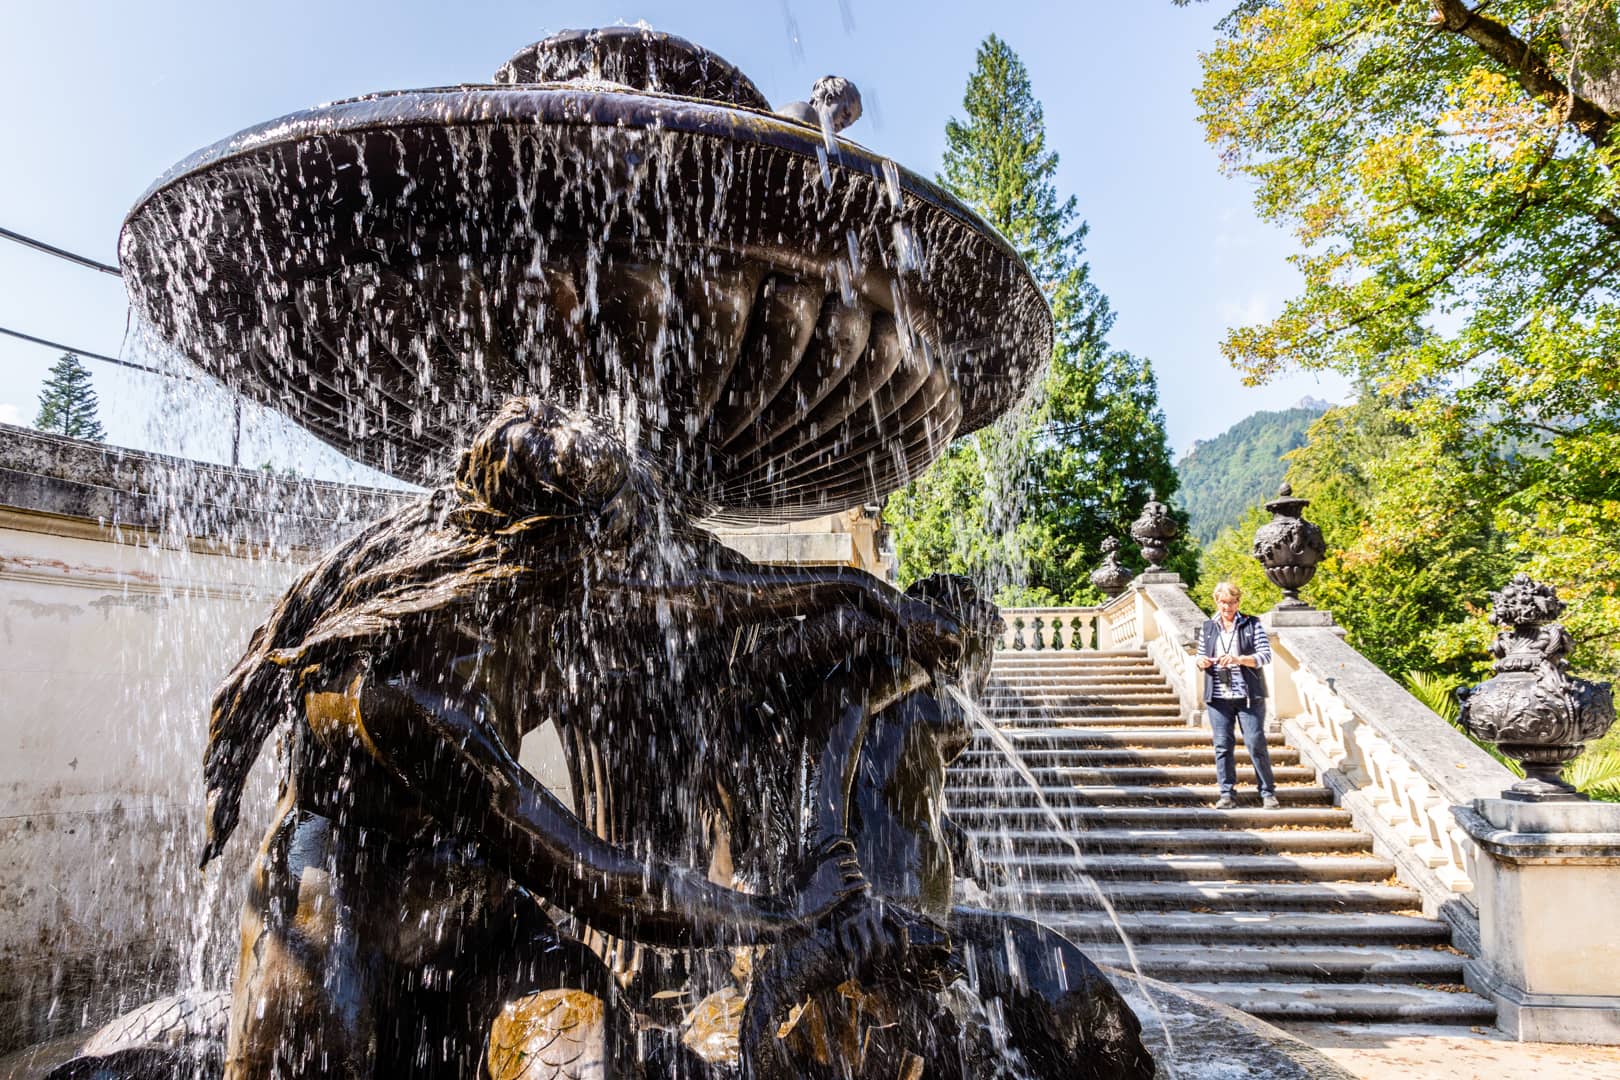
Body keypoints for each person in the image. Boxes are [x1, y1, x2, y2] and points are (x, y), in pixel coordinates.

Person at [1196, 581, 1278, 810]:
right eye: (1223, 602)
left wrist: (1238, 659)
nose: (1228, 607)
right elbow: (1200, 655)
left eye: (1232, 602)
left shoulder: (1252, 624)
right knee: (1222, 745)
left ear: (1238, 602)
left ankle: (1267, 792)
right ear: (1217, 602)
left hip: (1248, 696)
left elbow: (1265, 656)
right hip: (1218, 697)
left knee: (1255, 742)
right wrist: (1201, 662)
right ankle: (1226, 793)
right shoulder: (1208, 627)